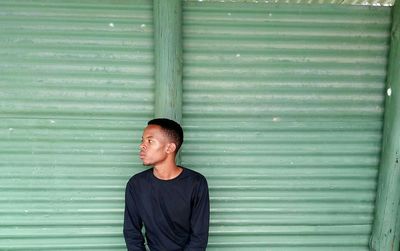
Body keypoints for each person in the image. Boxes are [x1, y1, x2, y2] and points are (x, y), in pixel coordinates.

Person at [123, 118, 210, 251]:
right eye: (142, 140)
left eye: (150, 141)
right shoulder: (136, 185)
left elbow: (199, 237)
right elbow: (131, 233)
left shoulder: (196, 183)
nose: (142, 145)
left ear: (170, 147)